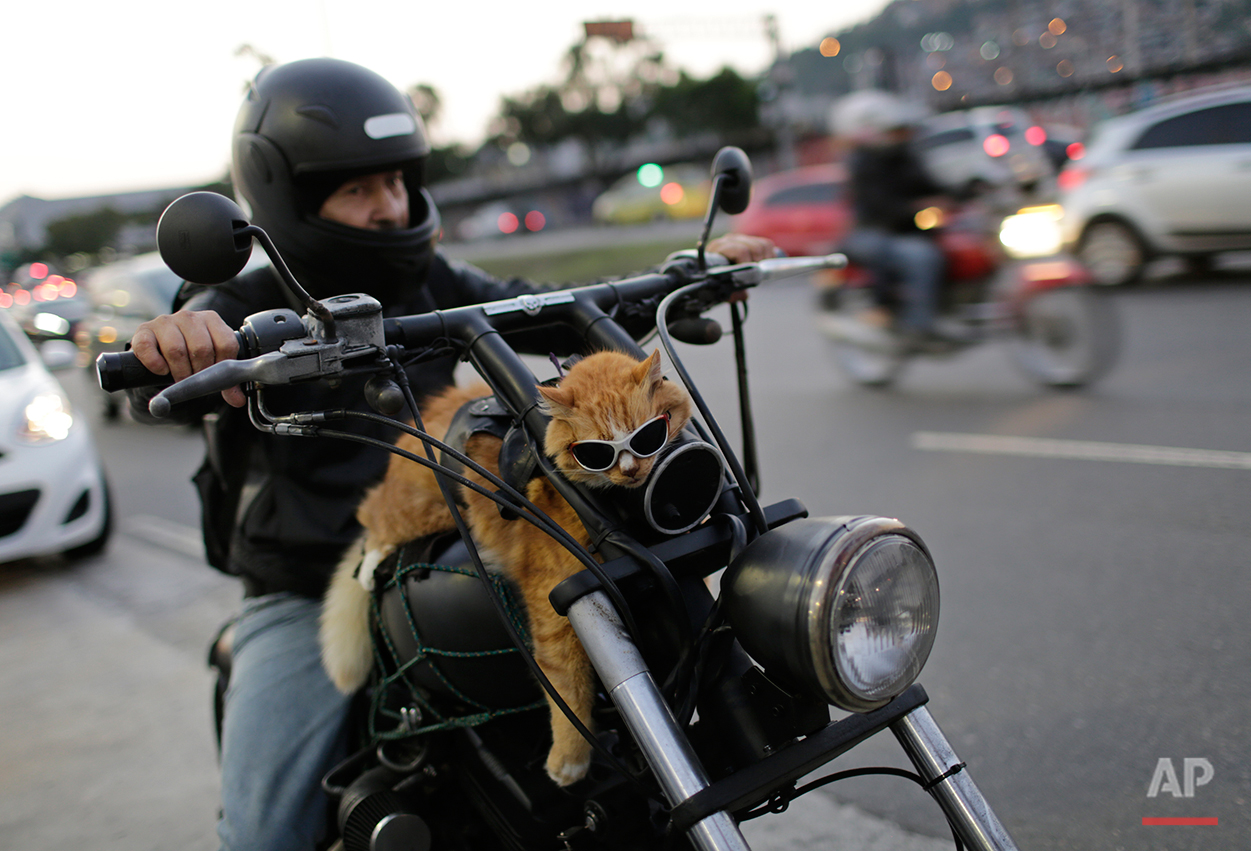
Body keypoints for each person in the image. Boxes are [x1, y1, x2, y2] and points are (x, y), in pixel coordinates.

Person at [127, 57, 773, 851]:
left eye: (395, 181)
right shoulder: (243, 304)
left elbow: (545, 309)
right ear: (289, 197)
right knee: (263, 834)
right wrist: (177, 338)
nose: (387, 205)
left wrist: (688, 277)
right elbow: (166, 365)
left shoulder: (430, 277)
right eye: (358, 189)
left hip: (448, 544)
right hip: (304, 583)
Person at [832, 91, 960, 350]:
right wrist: (916, 209)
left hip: (909, 230)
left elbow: (933, 186)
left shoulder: (906, 157)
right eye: (896, 130)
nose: (903, 135)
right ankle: (915, 325)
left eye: (903, 129)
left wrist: (964, 191)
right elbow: (879, 206)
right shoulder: (864, 164)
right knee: (921, 257)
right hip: (874, 232)